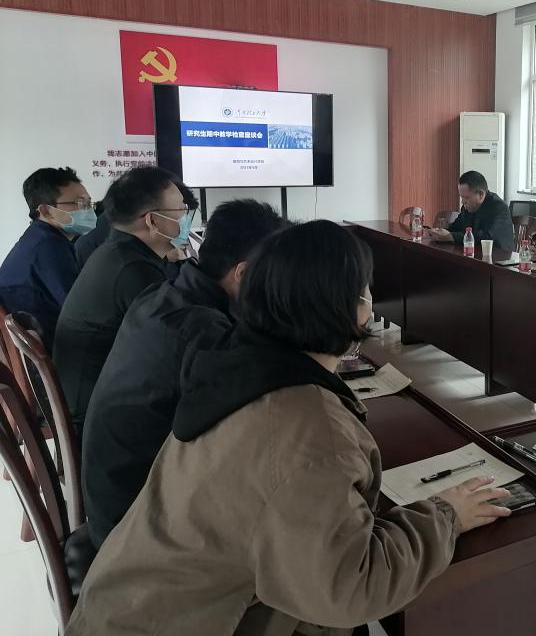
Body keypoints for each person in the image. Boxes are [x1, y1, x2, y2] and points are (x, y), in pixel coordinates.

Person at [66, 221, 511, 636]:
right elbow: (350, 589)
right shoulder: (309, 428)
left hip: (134, 603)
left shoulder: (233, 364)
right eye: (365, 288)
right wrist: (446, 515)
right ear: (353, 306)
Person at [81, 199, 287, 551]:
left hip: (116, 496)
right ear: (244, 273)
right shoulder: (202, 333)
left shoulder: (167, 294)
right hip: (137, 529)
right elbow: (255, 428)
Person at [53, 166, 194, 437]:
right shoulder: (133, 270)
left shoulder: (119, 253)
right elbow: (172, 348)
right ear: (153, 221)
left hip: (93, 395)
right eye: (181, 210)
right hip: (99, 417)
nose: (186, 218)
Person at [0, 167, 94, 348]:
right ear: (46, 211)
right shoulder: (49, 247)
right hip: (58, 348)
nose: (88, 211)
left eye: (89, 204)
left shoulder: (38, 237)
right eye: (79, 203)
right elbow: (80, 311)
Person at [76, 179, 199, 269]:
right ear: (152, 219)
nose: (184, 221)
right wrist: (164, 259)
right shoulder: (128, 261)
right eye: (181, 211)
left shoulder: (125, 235)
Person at [426, 170, 514, 251]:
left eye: (466, 197)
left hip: (499, 258)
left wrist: (451, 236)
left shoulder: (499, 207)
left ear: (481, 194)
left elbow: (487, 236)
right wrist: (438, 233)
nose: (463, 201)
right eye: (462, 197)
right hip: (473, 254)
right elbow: (454, 229)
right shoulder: (467, 207)